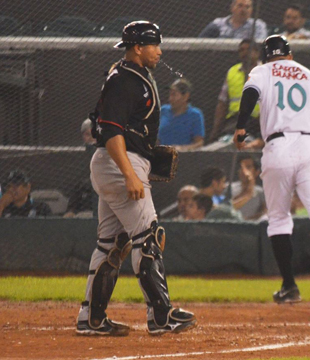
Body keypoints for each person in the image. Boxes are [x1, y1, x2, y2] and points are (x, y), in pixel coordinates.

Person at [75, 21, 196, 337]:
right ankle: (161, 316)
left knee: (112, 244)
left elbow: (99, 120)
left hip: (117, 163)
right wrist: (130, 173)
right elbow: (112, 131)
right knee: (149, 238)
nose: (159, 51)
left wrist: (142, 153)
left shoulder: (129, 77)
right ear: (138, 47)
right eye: (155, 45)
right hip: (119, 163)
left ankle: (92, 319)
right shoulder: (126, 79)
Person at [234, 35, 310, 303]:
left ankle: (289, 286)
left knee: (280, 219)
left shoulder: (262, 71)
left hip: (278, 146)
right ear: (290, 55)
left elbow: (250, 94)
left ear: (265, 57)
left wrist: (240, 128)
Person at [209, 39, 261, 144]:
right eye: (241, 50)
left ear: (257, 53)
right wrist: (215, 131)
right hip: (233, 122)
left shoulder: (267, 72)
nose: (245, 53)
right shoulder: (232, 72)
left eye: (248, 49)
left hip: (256, 124)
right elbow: (222, 103)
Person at [158, 78, 205, 150]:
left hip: (185, 159)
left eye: (174, 95)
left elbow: (199, 143)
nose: (170, 98)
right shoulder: (163, 111)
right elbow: (156, 139)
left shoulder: (195, 115)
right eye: (170, 94)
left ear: (185, 96)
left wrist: (181, 149)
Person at [199, 0, 267, 41]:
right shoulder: (218, 23)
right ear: (232, 8)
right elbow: (200, 41)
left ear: (251, 10)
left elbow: (259, 45)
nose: (243, 10)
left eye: (247, 7)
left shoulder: (257, 25)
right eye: (240, 6)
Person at [231, 154, 267, 220]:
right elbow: (226, 207)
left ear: (256, 172)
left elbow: (265, 212)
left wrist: (247, 220)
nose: (243, 171)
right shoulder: (230, 188)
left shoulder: (260, 192)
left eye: (248, 167)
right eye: (241, 168)